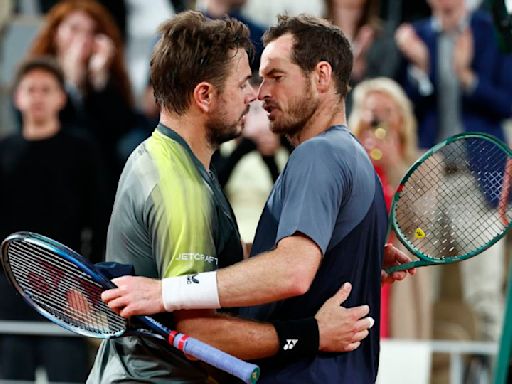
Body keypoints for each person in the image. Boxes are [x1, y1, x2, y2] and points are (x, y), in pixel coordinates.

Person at [98, 13, 415, 384]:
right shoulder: (348, 155)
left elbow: (290, 269)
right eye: (248, 81)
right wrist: (312, 327)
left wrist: (337, 254)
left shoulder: (318, 156)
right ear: (203, 95)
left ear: (322, 76)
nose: (258, 93)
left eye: (274, 77)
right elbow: (204, 328)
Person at [395, 0, 512, 343]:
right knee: (414, 277)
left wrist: (466, 78)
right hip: (427, 180)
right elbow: (403, 105)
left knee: (485, 288)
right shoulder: (414, 36)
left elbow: (507, 102)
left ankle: (492, 370)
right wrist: (422, 66)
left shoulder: (491, 31)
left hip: (479, 183)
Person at [0, 57, 108, 382]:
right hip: (8, 291)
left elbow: (100, 221)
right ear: (17, 97)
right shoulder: (3, 151)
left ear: (61, 97)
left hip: (65, 288)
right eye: (30, 89)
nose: (37, 97)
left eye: (46, 89)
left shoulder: (82, 149)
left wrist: (88, 287)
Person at [28, 0, 137, 201]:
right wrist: (70, 86)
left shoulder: (105, 78)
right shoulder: (37, 74)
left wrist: (100, 80)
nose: (84, 39)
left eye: (92, 32)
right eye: (74, 29)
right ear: (56, 33)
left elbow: (119, 130)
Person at [349, 77, 432, 340]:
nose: (379, 120)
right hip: (354, 269)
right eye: (372, 112)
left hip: (397, 276)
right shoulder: (348, 159)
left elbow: (421, 228)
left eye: (387, 112)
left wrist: (395, 166)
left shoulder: (425, 163)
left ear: (401, 119)